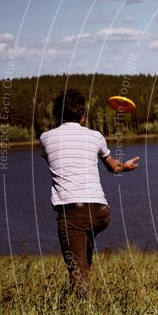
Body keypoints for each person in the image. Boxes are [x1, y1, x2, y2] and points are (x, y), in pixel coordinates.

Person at [40, 89, 139, 298]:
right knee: (83, 259)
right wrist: (127, 167)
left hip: (73, 214)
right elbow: (114, 167)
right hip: (101, 213)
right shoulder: (95, 136)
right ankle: (87, 299)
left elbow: (52, 160)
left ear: (57, 115)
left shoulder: (46, 138)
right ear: (82, 116)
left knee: (77, 273)